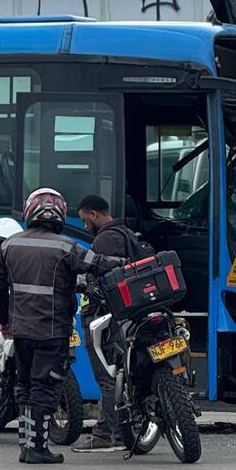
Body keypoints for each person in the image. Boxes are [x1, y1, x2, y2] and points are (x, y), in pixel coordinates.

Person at [0, 187, 124, 465]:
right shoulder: (65, 246)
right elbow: (98, 264)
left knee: (25, 386)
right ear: (60, 214)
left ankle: (26, 446)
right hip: (51, 332)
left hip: (21, 331)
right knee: (46, 387)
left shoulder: (9, 246)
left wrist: (5, 320)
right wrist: (129, 262)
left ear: (30, 212)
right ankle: (38, 449)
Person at [71, 194, 147, 453]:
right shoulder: (127, 234)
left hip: (104, 317)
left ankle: (105, 434)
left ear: (93, 214)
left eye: (84, 220)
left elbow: (94, 276)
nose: (84, 227)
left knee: (106, 376)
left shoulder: (104, 240)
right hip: (127, 315)